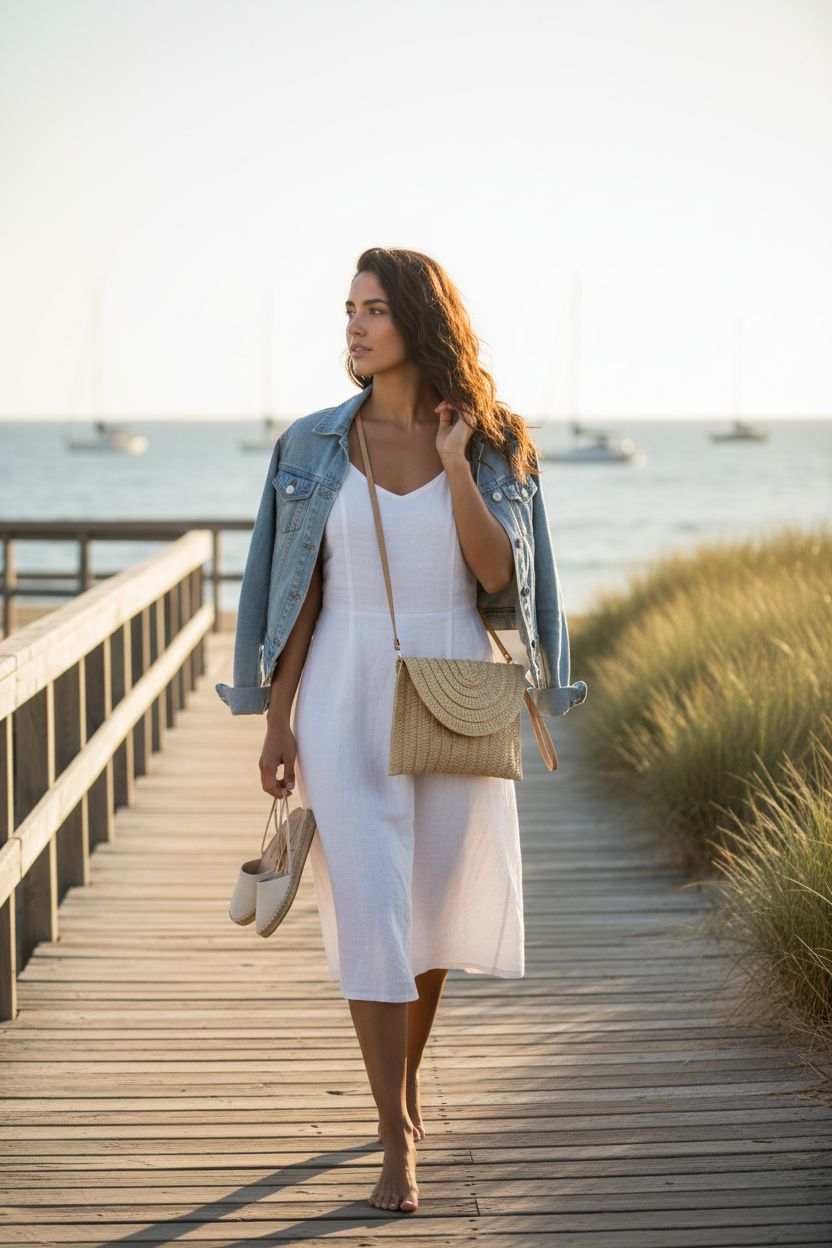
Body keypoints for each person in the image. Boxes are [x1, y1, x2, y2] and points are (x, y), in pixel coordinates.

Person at [216, 246, 588, 1214]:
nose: (353, 325)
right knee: (372, 907)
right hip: (342, 687)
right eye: (347, 309)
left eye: (373, 309)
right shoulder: (309, 448)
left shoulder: (494, 443)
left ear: (416, 320)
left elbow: (499, 577)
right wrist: (278, 719)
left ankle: (404, 1090)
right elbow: (297, 597)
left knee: (426, 914)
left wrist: (460, 463)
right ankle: (395, 1133)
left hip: (455, 682)